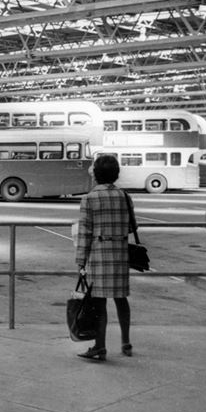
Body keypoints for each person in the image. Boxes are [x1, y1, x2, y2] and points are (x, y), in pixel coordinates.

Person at [74, 154, 136, 361]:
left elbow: (84, 233)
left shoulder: (89, 198)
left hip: (98, 254)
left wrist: (80, 261)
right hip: (120, 252)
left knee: (99, 303)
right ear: (116, 174)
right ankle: (126, 342)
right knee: (121, 298)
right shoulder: (125, 196)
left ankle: (100, 346)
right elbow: (132, 227)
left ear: (96, 175)